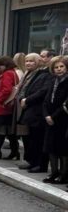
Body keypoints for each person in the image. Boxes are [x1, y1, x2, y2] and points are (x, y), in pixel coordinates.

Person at [15, 53, 51, 173]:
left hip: (37, 111)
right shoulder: (31, 74)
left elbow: (42, 91)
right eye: (27, 61)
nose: (28, 63)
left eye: (31, 61)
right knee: (32, 139)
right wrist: (23, 99)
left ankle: (40, 164)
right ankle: (33, 162)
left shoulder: (45, 74)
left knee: (38, 139)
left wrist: (27, 100)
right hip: (29, 110)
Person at [42, 56, 68, 184]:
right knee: (50, 147)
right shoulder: (53, 81)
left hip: (62, 119)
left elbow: (65, 103)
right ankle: (53, 172)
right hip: (49, 118)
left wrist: (53, 116)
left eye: (61, 67)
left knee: (62, 148)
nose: (59, 69)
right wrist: (46, 115)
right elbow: (46, 100)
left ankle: (63, 174)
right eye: (56, 67)